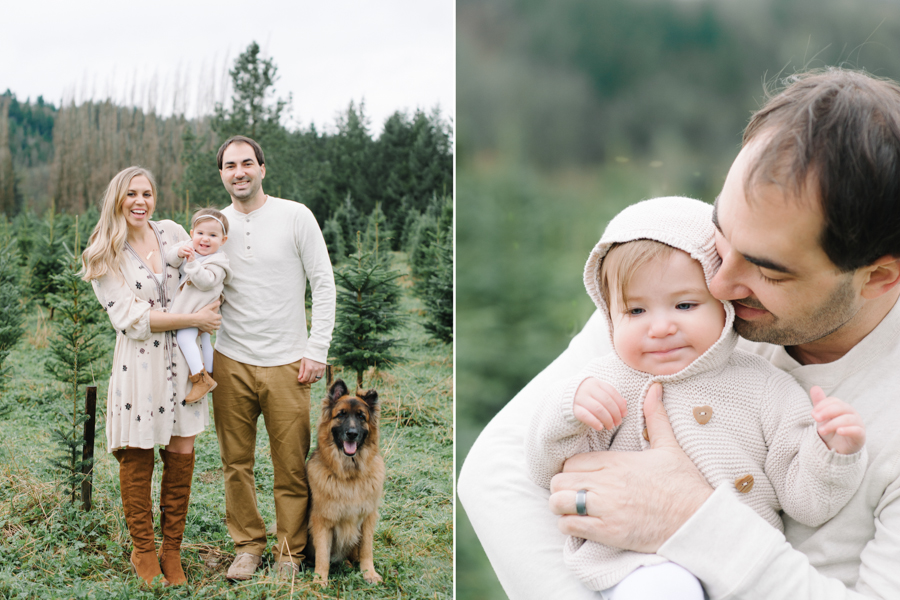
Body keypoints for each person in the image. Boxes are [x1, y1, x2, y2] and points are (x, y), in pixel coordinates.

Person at [458, 68, 900, 599]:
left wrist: (686, 516)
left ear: (878, 277)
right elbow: (497, 473)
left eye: (768, 270)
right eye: (722, 231)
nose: (718, 281)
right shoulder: (677, 276)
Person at [525, 196, 866, 599]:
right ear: (609, 316)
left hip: (738, 576)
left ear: (724, 306)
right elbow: (548, 471)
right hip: (638, 567)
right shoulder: (606, 383)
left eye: (685, 304)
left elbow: (808, 503)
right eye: (635, 311)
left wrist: (832, 452)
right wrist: (569, 410)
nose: (660, 327)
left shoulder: (766, 387)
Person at [81, 166, 221, 587]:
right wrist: (192, 317)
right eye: (131, 194)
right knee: (138, 455)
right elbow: (130, 318)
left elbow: (203, 266)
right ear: (117, 199)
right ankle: (143, 551)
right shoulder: (104, 252)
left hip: (184, 361)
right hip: (139, 366)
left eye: (147, 193)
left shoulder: (172, 231)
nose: (140, 201)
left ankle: (172, 549)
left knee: (180, 454)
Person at [210, 135, 336, 580]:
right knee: (235, 463)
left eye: (247, 163)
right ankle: (247, 546)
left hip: (288, 361)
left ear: (263, 169)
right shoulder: (215, 226)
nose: (239, 171)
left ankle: (289, 552)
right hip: (229, 360)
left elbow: (323, 283)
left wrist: (316, 349)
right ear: (222, 174)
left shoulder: (295, 216)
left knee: (290, 465)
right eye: (230, 165)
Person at [165, 207, 232, 403]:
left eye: (212, 235)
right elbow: (171, 258)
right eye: (200, 233)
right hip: (192, 309)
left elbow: (207, 281)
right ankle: (210, 372)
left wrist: (193, 264)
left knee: (185, 338)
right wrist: (178, 252)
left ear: (223, 240)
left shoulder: (219, 261)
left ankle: (200, 379)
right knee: (203, 342)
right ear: (192, 234)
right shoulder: (188, 246)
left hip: (200, 309)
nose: (205, 239)